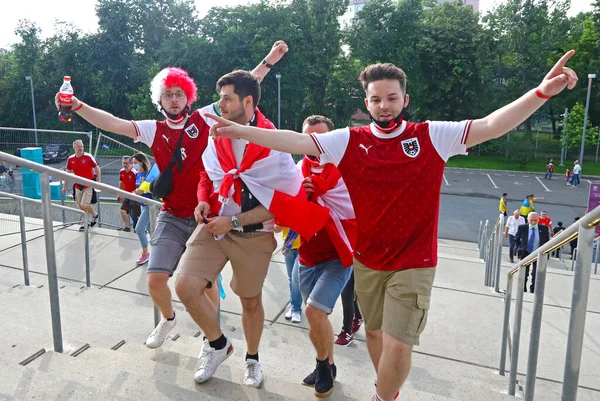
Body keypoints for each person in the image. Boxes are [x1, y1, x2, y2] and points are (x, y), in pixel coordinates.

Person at [204, 50, 578, 401]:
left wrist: (541, 92)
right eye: (376, 99)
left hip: (414, 262)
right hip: (368, 259)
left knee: (399, 343)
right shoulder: (350, 140)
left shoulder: (431, 136)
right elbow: (297, 141)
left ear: (405, 100)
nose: (384, 106)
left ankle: (383, 396)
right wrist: (240, 131)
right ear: (367, 103)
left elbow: (492, 125)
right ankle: (387, 389)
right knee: (374, 333)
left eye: (392, 98)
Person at [55, 41, 289, 350]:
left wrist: (270, 60)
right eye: (168, 94)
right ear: (160, 99)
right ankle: (168, 319)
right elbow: (112, 123)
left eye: (179, 93)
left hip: (208, 217)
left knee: (204, 286)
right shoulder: (152, 129)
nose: (175, 99)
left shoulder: (205, 118)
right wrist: (78, 106)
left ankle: (212, 341)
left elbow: (243, 90)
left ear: (188, 96)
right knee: (155, 279)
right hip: (173, 213)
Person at [174, 69, 330, 389]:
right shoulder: (217, 131)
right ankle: (218, 345)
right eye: (220, 98)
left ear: (247, 101)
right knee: (185, 286)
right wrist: (203, 200)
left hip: (254, 235)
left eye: (227, 99)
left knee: (250, 302)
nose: (220, 105)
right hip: (214, 228)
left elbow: (281, 203)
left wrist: (232, 221)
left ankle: (252, 359)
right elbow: (209, 174)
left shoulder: (273, 141)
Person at [288, 115, 356, 398]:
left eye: (320, 137)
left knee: (313, 312)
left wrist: (322, 192)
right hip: (306, 256)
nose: (313, 143)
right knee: (316, 318)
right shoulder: (296, 169)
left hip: (337, 257)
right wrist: (298, 195)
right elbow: (284, 206)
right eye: (308, 137)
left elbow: (355, 207)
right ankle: (328, 364)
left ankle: (322, 366)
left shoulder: (345, 170)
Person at [62, 139, 100, 231]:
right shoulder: (71, 159)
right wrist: (65, 186)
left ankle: (94, 215)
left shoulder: (88, 156)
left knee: (84, 204)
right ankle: (86, 223)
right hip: (78, 185)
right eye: (78, 146)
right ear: (74, 147)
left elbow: (97, 168)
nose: (80, 148)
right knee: (79, 205)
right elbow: (67, 173)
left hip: (88, 185)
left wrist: (98, 180)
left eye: (82, 146)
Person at [515, 212, 550, 293]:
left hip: (538, 253)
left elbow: (546, 242)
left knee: (536, 273)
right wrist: (518, 249)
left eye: (535, 220)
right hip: (525, 252)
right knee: (524, 272)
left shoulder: (544, 229)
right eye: (531, 220)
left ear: (538, 220)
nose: (533, 222)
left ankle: (533, 289)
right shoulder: (522, 228)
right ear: (528, 219)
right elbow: (516, 239)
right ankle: (522, 288)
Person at [274, 224, 302, 324]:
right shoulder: (285, 210)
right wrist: (284, 221)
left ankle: (296, 308)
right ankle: (294, 304)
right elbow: (276, 229)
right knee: (291, 279)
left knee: (296, 279)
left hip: (303, 247)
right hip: (288, 247)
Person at [131, 153, 154, 265]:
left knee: (139, 229)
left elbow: (151, 189)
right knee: (150, 229)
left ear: (142, 162)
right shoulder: (138, 174)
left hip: (149, 205)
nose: (134, 165)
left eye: (135, 163)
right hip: (142, 204)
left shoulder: (149, 174)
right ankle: (156, 252)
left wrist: (142, 191)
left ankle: (145, 254)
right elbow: (138, 188)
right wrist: (136, 192)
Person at [118, 156, 140, 232]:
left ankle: (137, 228)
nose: (125, 165)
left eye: (127, 163)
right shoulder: (122, 171)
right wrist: (120, 193)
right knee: (122, 211)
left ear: (131, 163)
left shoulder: (135, 172)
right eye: (123, 163)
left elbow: (139, 183)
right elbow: (121, 182)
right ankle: (127, 227)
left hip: (135, 195)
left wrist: (136, 192)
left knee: (134, 214)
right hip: (127, 195)